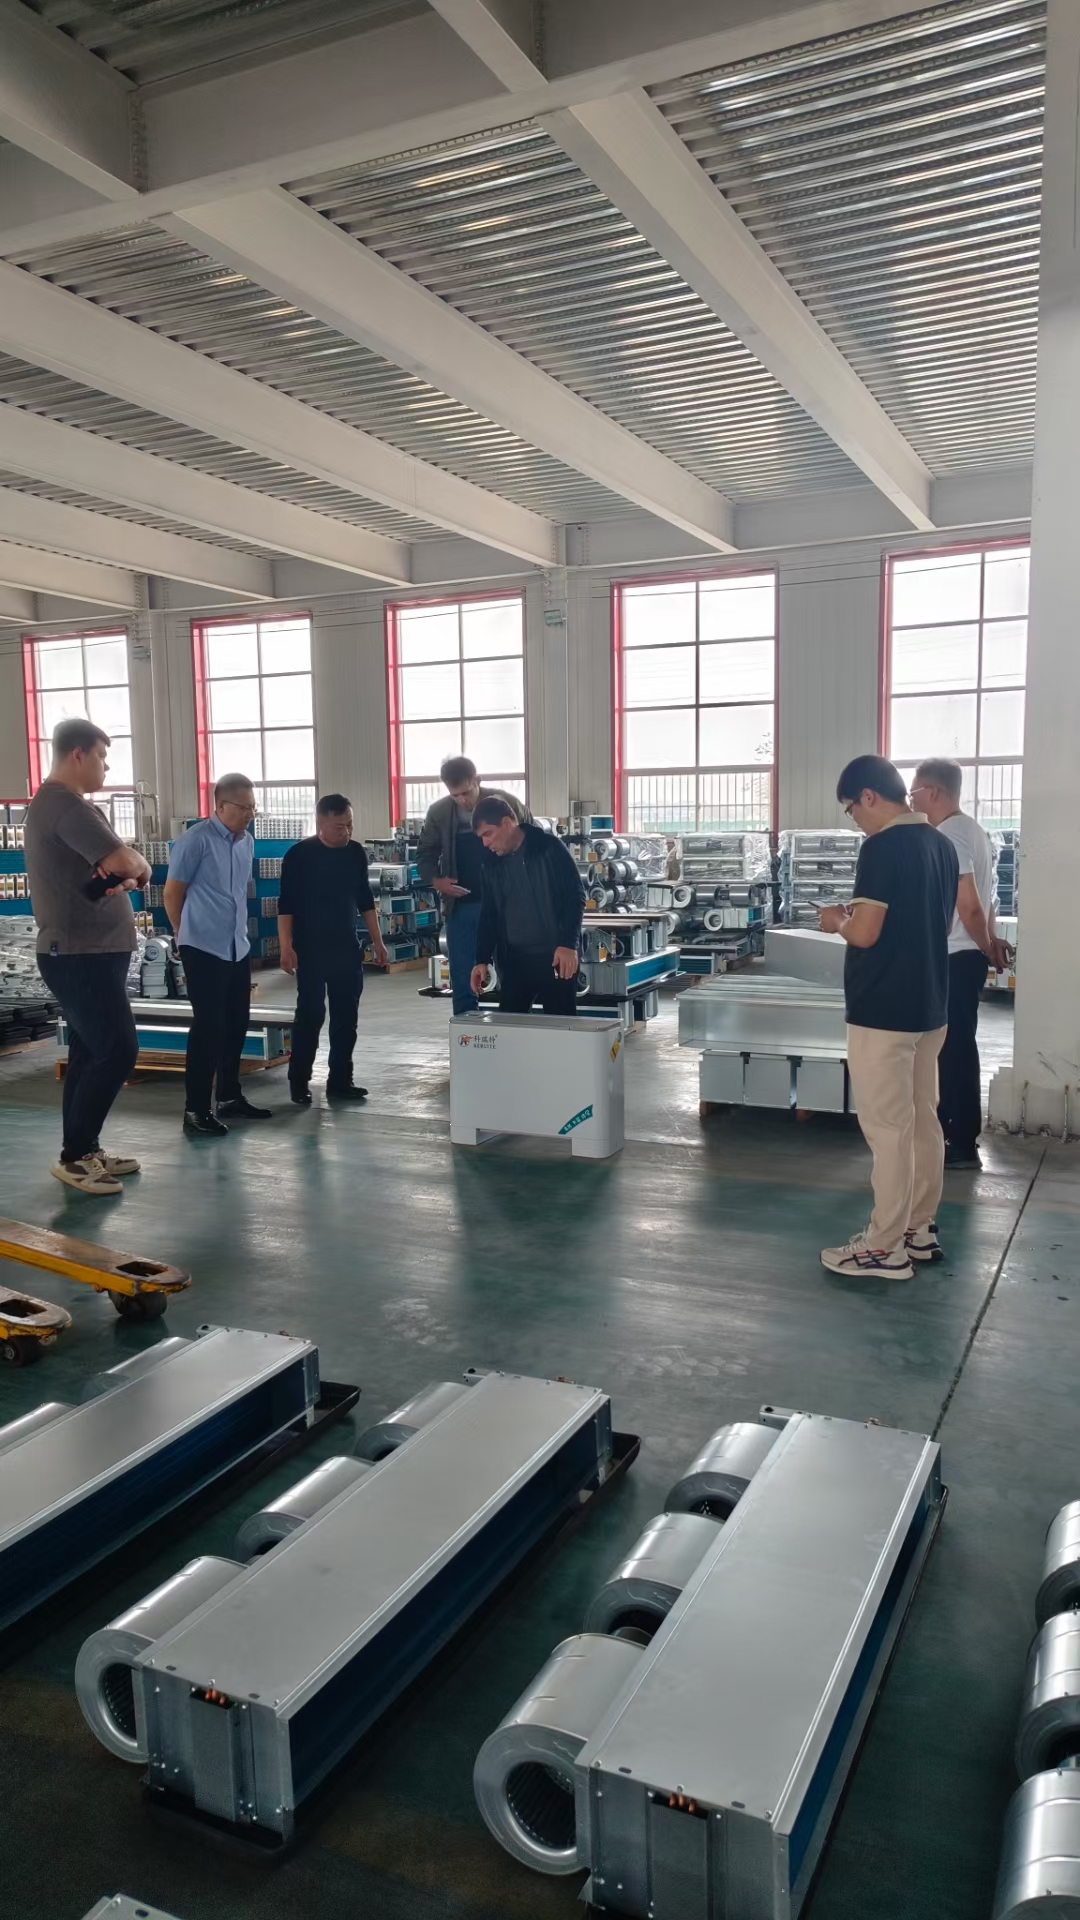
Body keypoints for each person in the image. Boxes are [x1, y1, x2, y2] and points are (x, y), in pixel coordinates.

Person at [818, 754, 958, 1280]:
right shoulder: (941, 845)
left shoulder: (881, 848)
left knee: (889, 1130)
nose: (855, 819)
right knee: (922, 1120)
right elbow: (934, 925)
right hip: (929, 1006)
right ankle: (919, 1229)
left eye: (852, 809)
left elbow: (867, 932)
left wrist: (836, 920)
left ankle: (883, 1247)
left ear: (869, 797)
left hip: (882, 1011)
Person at [24, 718, 150, 1196]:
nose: (106, 766)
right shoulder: (65, 805)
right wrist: (130, 867)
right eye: (101, 756)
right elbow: (128, 864)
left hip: (91, 950)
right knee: (118, 1050)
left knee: (89, 1051)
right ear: (77, 754)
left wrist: (128, 869)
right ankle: (75, 1156)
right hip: (80, 953)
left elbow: (124, 871)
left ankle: (82, 1149)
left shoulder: (65, 805)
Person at [910, 758, 1010, 1171]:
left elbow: (968, 904)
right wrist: (990, 941)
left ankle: (961, 1142)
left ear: (933, 792)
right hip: (964, 956)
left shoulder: (949, 834)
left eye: (914, 792)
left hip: (955, 956)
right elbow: (989, 901)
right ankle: (954, 1134)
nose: (911, 800)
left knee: (953, 1050)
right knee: (955, 1046)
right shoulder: (974, 831)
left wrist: (986, 946)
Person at [163, 773, 271, 1138]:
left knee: (237, 1022)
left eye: (253, 808)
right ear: (221, 806)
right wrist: (184, 934)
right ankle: (195, 1109)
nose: (250, 814)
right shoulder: (195, 841)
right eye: (244, 808)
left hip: (236, 946)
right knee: (208, 1027)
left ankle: (228, 1095)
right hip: (202, 947)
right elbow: (172, 894)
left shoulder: (247, 843)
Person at [277, 793, 388, 1104]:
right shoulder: (299, 856)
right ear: (320, 823)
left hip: (346, 947)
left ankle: (340, 1080)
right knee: (311, 1014)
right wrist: (286, 947)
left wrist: (378, 941)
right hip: (310, 949)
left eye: (350, 825)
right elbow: (286, 906)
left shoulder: (355, 853)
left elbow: (365, 900)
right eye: (340, 826)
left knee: (346, 1016)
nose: (347, 832)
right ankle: (299, 1080)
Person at [416, 757, 527, 1015]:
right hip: (463, 906)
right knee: (464, 977)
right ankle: (465, 1031)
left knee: (514, 975)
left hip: (508, 906)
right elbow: (424, 854)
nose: (462, 800)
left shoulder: (506, 804)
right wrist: (437, 881)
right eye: (455, 795)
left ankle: (515, 1025)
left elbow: (532, 839)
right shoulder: (440, 813)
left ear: (477, 781)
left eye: (466, 793)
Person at [468, 798, 585, 1014]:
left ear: (506, 823)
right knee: (511, 1026)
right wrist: (481, 959)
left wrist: (568, 944)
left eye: (488, 833)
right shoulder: (491, 864)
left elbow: (575, 897)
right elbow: (489, 914)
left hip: (556, 957)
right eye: (481, 837)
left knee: (561, 1026)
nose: (485, 843)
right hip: (514, 961)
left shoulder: (549, 848)